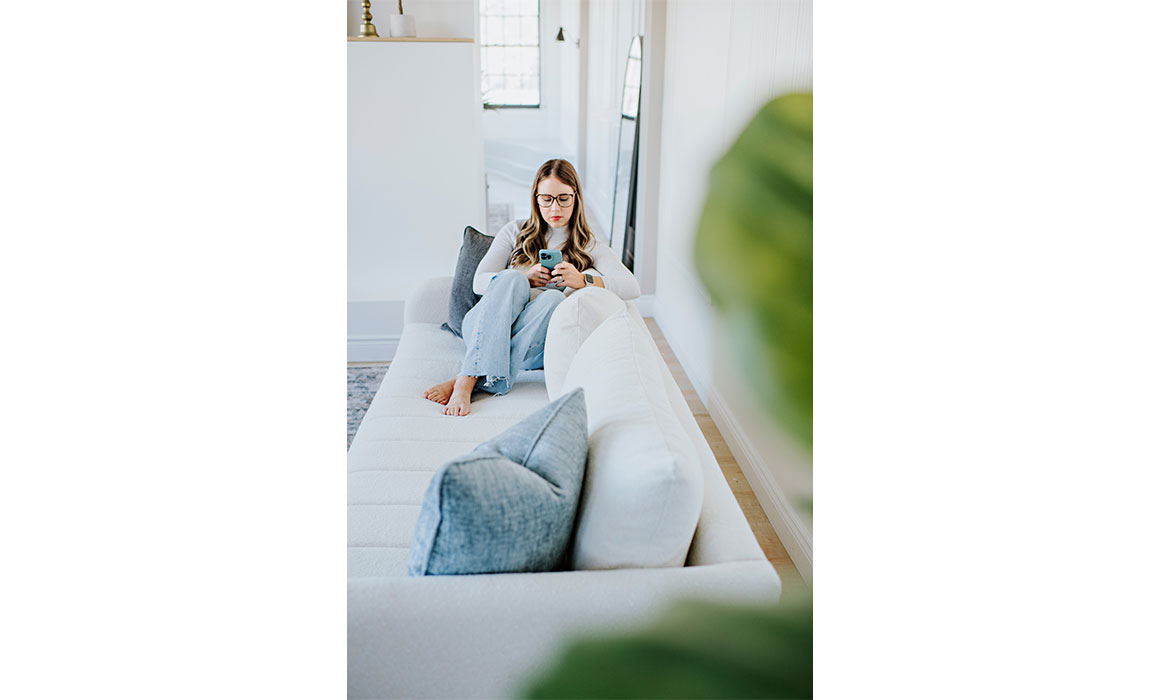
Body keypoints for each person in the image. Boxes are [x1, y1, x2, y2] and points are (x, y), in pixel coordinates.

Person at [424, 159, 641, 416]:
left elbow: (632, 287)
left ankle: (467, 379)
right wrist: (525, 277)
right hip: (482, 327)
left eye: (563, 198)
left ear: (576, 198)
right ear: (536, 199)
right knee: (512, 280)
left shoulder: (588, 245)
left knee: (552, 301)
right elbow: (479, 281)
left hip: (532, 347)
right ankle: (468, 378)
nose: (555, 207)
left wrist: (584, 280)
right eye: (546, 199)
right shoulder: (514, 231)